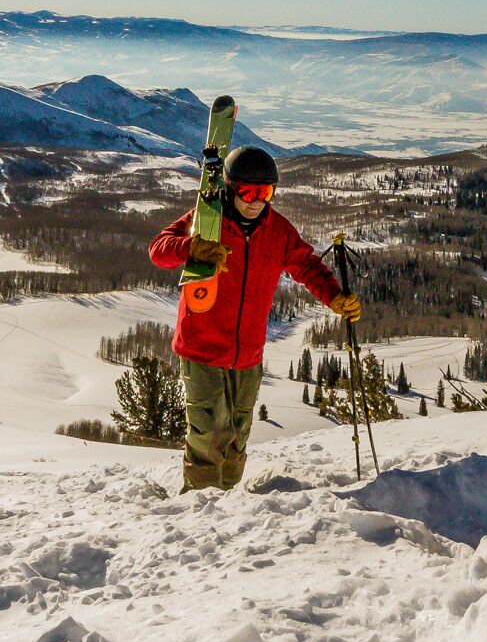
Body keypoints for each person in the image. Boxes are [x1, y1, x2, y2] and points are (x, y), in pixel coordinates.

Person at [148, 145, 360, 491]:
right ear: (231, 188)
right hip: (201, 347)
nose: (257, 200)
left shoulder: (277, 230)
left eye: (266, 192)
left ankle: (228, 498)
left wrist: (334, 296)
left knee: (237, 434)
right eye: (248, 191)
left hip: (247, 353)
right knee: (207, 432)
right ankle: (199, 504)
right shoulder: (207, 220)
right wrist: (191, 247)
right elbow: (159, 248)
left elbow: (306, 264)